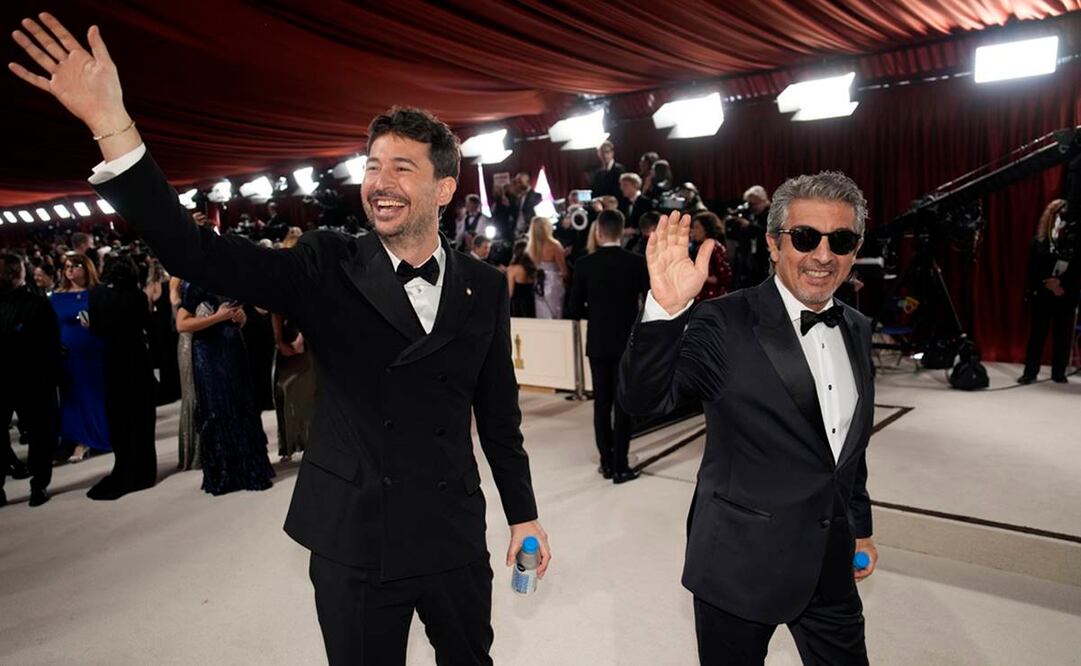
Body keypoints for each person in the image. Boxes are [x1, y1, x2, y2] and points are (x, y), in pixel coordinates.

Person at [10, 17, 549, 663]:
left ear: (442, 187)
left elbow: (497, 414)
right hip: (354, 531)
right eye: (371, 165)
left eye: (400, 168)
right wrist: (112, 127)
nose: (379, 181)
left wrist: (522, 513)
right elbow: (191, 250)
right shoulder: (325, 263)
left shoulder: (483, 286)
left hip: (450, 530)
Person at [620, 172, 877, 665]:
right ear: (774, 244)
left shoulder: (858, 328)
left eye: (840, 241)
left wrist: (859, 526)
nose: (823, 255)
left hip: (828, 561)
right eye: (805, 238)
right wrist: (666, 312)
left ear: (855, 248)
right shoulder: (724, 321)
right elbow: (642, 402)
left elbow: (847, 448)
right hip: (738, 564)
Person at [568, 210, 648, 483]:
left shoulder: (584, 264)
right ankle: (620, 465)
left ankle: (606, 463)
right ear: (622, 231)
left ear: (599, 232)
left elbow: (573, 309)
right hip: (627, 342)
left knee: (601, 405)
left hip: (599, 343)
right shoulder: (636, 262)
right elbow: (649, 301)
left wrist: (598, 313)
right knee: (623, 404)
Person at [86, 254, 157, 500]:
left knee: (119, 415)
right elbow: (147, 325)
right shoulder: (138, 297)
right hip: (137, 358)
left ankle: (125, 464)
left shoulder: (96, 295)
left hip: (113, 359)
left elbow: (95, 328)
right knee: (141, 414)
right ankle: (145, 469)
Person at [0, 253, 60, 507]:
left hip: (33, 379)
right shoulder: (36, 303)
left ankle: (39, 484)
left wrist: (50, 378)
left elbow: (50, 344)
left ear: (15, 274)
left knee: (40, 434)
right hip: (7, 380)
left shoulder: (37, 304)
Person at [50, 252, 111, 462]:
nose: (70, 269)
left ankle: (98, 437)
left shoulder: (97, 293)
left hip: (95, 350)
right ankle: (78, 440)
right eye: (67, 266)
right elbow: (53, 327)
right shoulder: (57, 296)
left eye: (76, 265)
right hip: (69, 354)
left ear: (87, 269)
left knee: (96, 394)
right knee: (73, 397)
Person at [1018, 198, 1079, 384]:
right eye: (1060, 211)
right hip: (1044, 292)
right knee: (1038, 333)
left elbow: (1077, 266)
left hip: (1065, 292)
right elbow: (1034, 267)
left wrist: (1061, 284)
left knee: (1063, 334)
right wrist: (1049, 282)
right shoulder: (1041, 240)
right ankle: (1030, 372)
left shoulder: (1074, 238)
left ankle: (1058, 372)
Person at [170, 276, 199, 470]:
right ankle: (194, 451)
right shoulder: (176, 280)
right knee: (191, 393)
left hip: (210, 337)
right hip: (189, 340)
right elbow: (177, 315)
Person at [526, 216, 569, 318]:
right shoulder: (554, 245)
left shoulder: (531, 247)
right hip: (554, 283)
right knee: (555, 313)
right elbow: (564, 271)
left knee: (542, 313)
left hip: (539, 284)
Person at [690, 212, 733, 301]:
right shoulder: (696, 247)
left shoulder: (715, 248)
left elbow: (725, 278)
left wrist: (701, 276)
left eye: (697, 227)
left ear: (706, 229)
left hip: (712, 299)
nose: (692, 231)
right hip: (699, 297)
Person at [506, 239, 537, 318]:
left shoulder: (512, 269)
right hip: (531, 303)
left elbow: (510, 293)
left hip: (517, 306)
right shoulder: (533, 268)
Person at [511, 172, 542, 237]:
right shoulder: (518, 197)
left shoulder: (537, 196)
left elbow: (536, 216)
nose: (518, 185)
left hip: (529, 231)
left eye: (520, 182)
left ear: (527, 181)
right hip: (517, 231)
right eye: (517, 182)